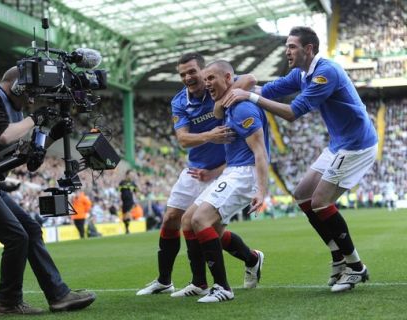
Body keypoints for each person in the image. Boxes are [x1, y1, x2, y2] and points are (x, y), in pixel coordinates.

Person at [220, 26, 377, 293]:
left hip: (356, 145)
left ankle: (355, 266)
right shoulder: (301, 74)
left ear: (309, 49)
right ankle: (338, 256)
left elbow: (293, 112)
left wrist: (249, 96)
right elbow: (268, 90)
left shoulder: (325, 72)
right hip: (338, 144)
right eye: (286, 46)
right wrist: (236, 83)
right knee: (302, 195)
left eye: (292, 46)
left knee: (320, 202)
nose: (287, 51)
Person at [0, 66, 96, 315]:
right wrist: (34, 119)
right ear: (16, 86)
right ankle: (8, 302)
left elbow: (23, 154)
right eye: (29, 93)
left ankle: (59, 296)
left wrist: (52, 137)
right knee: (17, 237)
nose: (31, 100)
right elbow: (5, 138)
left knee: (30, 229)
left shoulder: (10, 108)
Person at [137, 53, 260, 297]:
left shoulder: (218, 87)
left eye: (192, 71)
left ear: (203, 72)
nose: (187, 77)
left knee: (206, 228)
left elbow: (250, 78)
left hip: (224, 169)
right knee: (171, 217)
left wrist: (221, 102)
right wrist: (209, 136)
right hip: (195, 170)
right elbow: (183, 139)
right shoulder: (180, 101)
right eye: (182, 74)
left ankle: (250, 259)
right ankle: (165, 280)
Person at [180, 60, 269, 303]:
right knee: (188, 221)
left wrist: (262, 191)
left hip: (245, 174)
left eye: (212, 78)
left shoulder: (242, 109)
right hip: (232, 171)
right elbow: (221, 107)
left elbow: (260, 152)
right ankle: (206, 280)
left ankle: (222, 288)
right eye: (205, 78)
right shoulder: (228, 106)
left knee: (200, 219)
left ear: (229, 78)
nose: (207, 83)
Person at [118, 169, 138, 234]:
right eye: (130, 174)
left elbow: (136, 192)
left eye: (132, 174)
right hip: (124, 201)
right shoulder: (122, 182)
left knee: (128, 214)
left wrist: (136, 199)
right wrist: (119, 201)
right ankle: (126, 228)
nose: (131, 176)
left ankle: (127, 229)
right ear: (127, 175)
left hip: (130, 201)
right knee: (124, 216)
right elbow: (119, 192)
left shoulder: (133, 183)